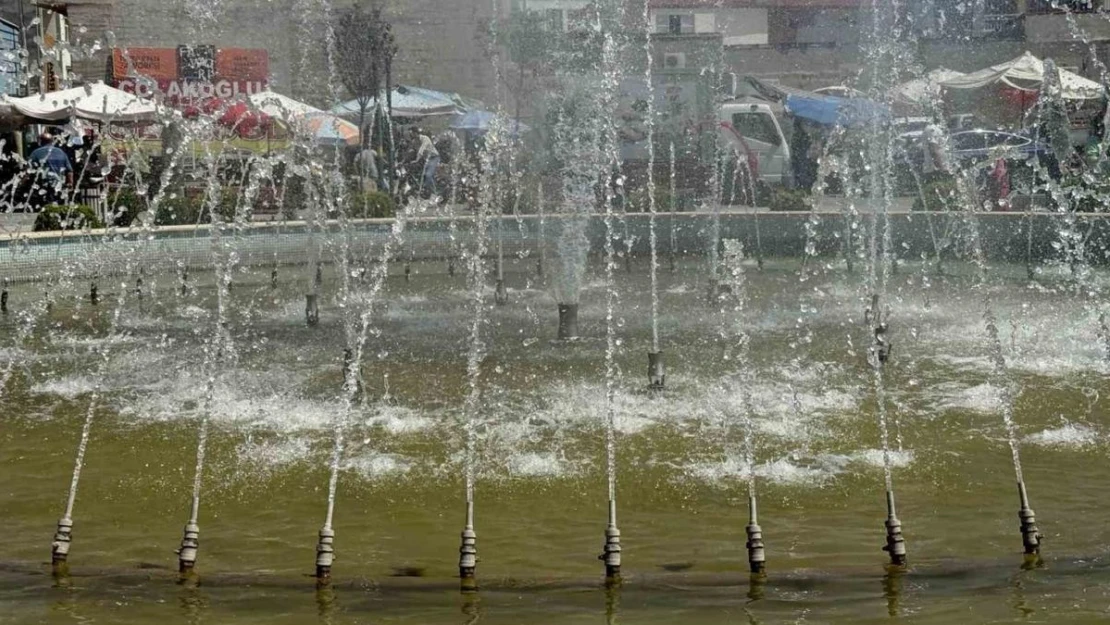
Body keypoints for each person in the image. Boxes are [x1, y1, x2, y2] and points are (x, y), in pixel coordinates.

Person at [28, 133, 73, 207]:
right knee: (58, 206)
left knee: (42, 207)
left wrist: (22, 182)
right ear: (52, 141)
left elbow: (28, 171)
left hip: (42, 186)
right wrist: (70, 183)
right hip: (59, 185)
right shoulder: (61, 152)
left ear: (40, 141)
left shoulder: (36, 153)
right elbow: (69, 170)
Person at [413, 127, 440, 197]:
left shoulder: (425, 138)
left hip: (434, 158)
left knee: (428, 175)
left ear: (415, 133)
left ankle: (434, 193)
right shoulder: (414, 141)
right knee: (422, 175)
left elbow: (421, 150)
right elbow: (411, 151)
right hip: (426, 159)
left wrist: (417, 160)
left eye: (411, 134)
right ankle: (429, 192)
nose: (410, 136)